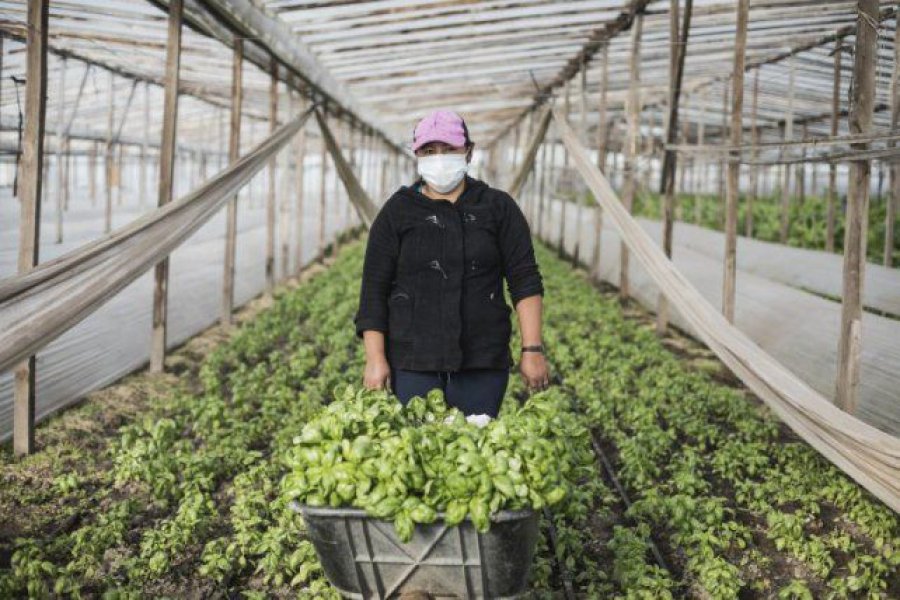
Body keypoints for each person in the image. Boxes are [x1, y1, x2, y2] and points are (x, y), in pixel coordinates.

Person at [353, 109, 549, 417]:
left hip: (482, 361)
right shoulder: (397, 212)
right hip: (412, 362)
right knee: (418, 442)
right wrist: (375, 359)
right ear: (417, 156)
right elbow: (374, 290)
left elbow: (524, 280)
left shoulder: (497, 207)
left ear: (468, 151)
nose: (439, 158)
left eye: (449, 149)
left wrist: (532, 349)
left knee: (476, 442)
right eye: (429, 151)